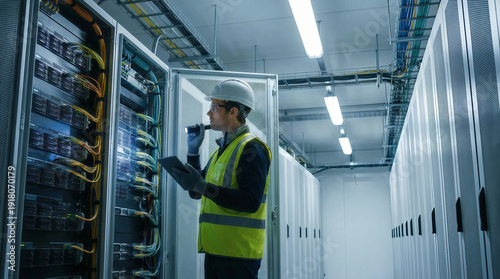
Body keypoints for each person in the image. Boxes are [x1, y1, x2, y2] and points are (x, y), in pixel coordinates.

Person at [170, 79, 271, 279]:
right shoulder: (219, 153)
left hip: (238, 255)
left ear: (233, 111)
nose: (209, 114)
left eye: (214, 107)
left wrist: (203, 186)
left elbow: (251, 201)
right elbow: (197, 192)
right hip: (215, 251)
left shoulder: (252, 148)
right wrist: (192, 152)